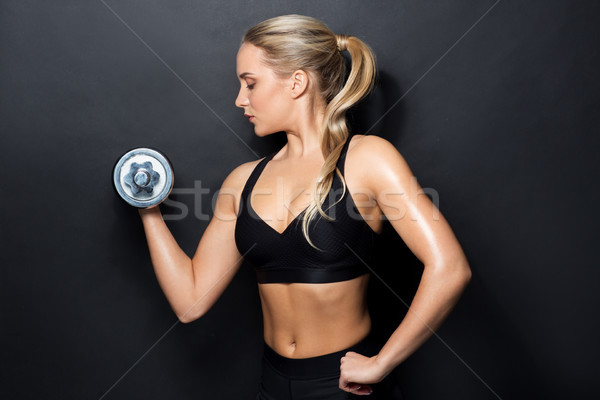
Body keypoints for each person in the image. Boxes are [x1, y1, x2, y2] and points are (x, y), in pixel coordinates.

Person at [138, 14, 471, 399]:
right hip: (273, 384)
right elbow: (190, 301)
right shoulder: (243, 180)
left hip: (345, 387)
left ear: (297, 82)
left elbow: (450, 269)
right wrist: (147, 206)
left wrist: (382, 362)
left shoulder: (368, 159)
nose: (239, 99)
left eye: (250, 83)